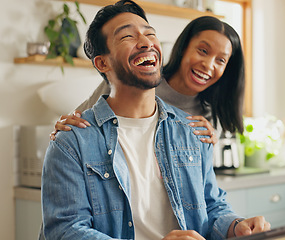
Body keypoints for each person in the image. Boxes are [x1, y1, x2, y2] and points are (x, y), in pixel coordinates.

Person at [40, 1, 270, 239]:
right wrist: (68, 130)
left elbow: (211, 207)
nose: (146, 41)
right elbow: (65, 231)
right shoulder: (71, 141)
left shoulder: (193, 130)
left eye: (151, 34)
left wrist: (236, 226)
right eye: (128, 36)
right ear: (102, 63)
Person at [51, 15, 246, 145]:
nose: (208, 65)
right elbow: (79, 119)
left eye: (220, 60)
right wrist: (64, 128)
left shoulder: (210, 114)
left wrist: (210, 144)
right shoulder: (136, 78)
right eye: (202, 51)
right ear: (184, 47)